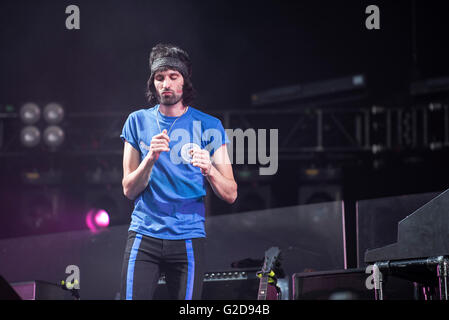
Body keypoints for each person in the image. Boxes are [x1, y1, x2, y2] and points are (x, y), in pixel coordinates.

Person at [119, 43, 237, 300]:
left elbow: (231, 193)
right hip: (144, 234)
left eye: (173, 76)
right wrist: (150, 157)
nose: (166, 83)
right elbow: (129, 189)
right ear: (153, 84)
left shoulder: (209, 125)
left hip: (188, 238)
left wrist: (209, 170)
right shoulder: (137, 121)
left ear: (185, 82)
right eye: (160, 78)